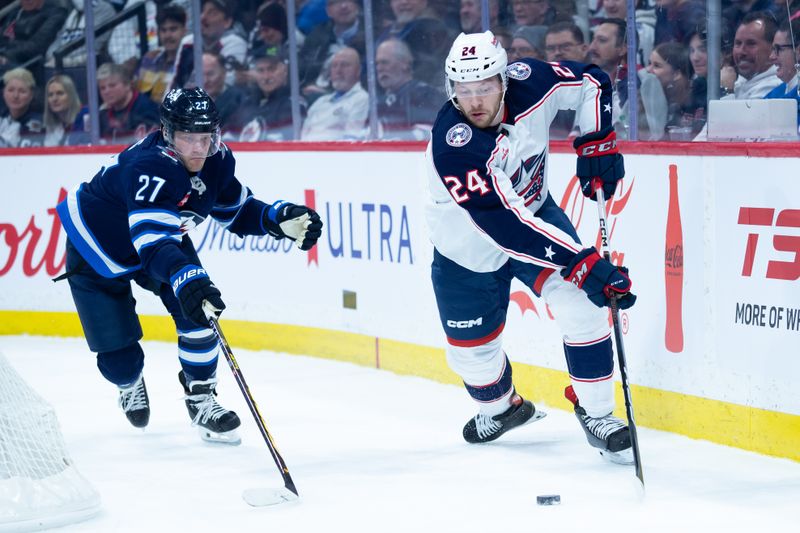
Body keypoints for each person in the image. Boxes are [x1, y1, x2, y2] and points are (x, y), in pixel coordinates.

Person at [54, 87, 323, 444]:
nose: (199, 148)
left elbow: (236, 209)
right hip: (98, 244)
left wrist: (276, 219)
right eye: (188, 138)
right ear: (167, 133)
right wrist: (184, 274)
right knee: (120, 359)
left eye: (205, 136)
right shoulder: (150, 165)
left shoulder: (217, 159)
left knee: (200, 311)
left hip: (160, 240)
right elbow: (153, 244)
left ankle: (201, 400)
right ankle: (128, 382)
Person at [426, 31, 636, 464]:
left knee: (582, 304)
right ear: (452, 90)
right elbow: (506, 226)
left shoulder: (532, 82)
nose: (475, 102)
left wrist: (598, 141)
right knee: (473, 360)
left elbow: (594, 81)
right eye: (463, 91)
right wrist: (582, 261)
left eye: (484, 87)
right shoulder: (453, 145)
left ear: (504, 80)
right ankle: (503, 409)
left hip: (536, 214)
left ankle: (598, 414)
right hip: (468, 248)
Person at [375, 38, 443, 140]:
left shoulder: (425, 95)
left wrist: (395, 141)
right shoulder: (380, 101)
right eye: (377, 63)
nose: (379, 68)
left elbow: (431, 132)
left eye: (385, 62)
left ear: (405, 64)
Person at [301, 47, 368, 140]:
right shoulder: (320, 102)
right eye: (334, 66)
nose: (338, 71)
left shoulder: (361, 99)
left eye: (345, 65)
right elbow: (302, 137)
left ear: (358, 70)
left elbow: (351, 140)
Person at [647, 42, 706, 137]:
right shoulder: (657, 99)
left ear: (676, 74)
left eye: (657, 65)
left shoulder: (704, 96)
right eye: (649, 63)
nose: (648, 70)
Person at [96, 62, 160, 145]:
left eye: (112, 85)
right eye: (102, 88)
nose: (106, 91)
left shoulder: (147, 109)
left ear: (128, 85)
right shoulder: (102, 114)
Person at [136, 4, 188, 103]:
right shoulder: (149, 59)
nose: (168, 35)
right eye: (163, 30)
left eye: (173, 29)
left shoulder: (189, 62)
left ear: (184, 31)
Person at [764, 18, 800, 126]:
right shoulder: (776, 93)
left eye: (778, 49)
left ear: (798, 51)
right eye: (772, 49)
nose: (771, 57)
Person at [0, 67, 44, 147]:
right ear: (3, 93)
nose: (15, 96)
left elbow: (25, 156)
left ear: (31, 95)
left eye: (22, 91)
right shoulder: (2, 116)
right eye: (10, 90)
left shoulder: (36, 122)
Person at [43, 74, 88, 146]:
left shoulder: (86, 116)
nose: (54, 99)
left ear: (71, 95)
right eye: (50, 95)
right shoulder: (52, 125)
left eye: (60, 93)